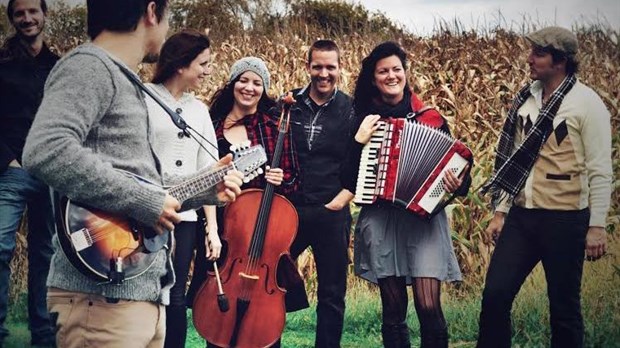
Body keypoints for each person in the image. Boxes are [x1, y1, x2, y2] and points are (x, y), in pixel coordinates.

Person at [21, 1, 243, 347]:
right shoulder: (89, 67)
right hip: (101, 301)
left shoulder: (124, 80)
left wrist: (204, 191)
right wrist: (145, 200)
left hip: (137, 293)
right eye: (168, 17)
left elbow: (139, 188)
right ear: (152, 12)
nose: (167, 28)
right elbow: (45, 149)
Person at [477, 27, 612, 348]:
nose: (530, 59)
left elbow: (600, 171)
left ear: (560, 60)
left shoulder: (587, 105)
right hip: (523, 219)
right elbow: (513, 161)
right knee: (495, 296)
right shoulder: (527, 99)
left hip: (565, 220)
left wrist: (596, 226)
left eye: (538, 53)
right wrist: (500, 211)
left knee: (564, 310)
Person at [342, 41, 471, 348]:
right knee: (393, 307)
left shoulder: (430, 118)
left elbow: (457, 171)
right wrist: (359, 142)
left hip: (424, 221)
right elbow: (346, 179)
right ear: (374, 78)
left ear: (405, 73)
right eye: (383, 71)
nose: (391, 76)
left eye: (396, 69)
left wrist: (456, 185)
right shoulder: (362, 118)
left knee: (428, 306)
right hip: (381, 218)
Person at [145, 29, 222, 348]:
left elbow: (210, 172)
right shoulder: (144, 98)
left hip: (186, 220)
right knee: (146, 293)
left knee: (176, 295)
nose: (208, 70)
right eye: (203, 63)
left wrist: (213, 229)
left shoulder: (199, 111)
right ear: (181, 64)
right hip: (144, 213)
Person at [284, 39, 355, 348]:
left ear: (339, 68)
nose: (323, 73)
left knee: (331, 292)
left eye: (330, 67)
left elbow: (364, 160)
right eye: (317, 66)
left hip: (332, 210)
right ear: (307, 67)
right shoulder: (288, 103)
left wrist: (343, 198)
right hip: (290, 210)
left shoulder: (352, 109)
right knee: (272, 279)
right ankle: (265, 339)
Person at [0, 0, 58, 346]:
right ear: (11, 19)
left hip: (50, 173)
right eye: (19, 13)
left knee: (46, 254)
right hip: (12, 171)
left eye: (32, 12)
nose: (27, 19)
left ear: (44, 15)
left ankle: (44, 334)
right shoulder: (1, 66)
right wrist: (8, 162)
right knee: (0, 247)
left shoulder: (58, 66)